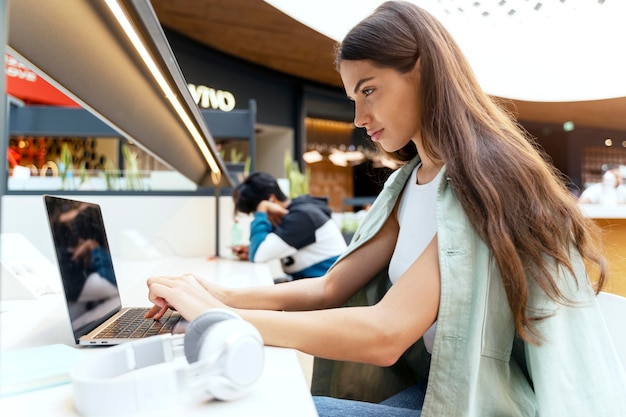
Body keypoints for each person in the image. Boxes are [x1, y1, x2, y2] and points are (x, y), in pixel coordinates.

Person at [146, 2, 626, 416]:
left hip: (484, 403)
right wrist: (217, 295)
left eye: (369, 89)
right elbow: (332, 286)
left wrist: (217, 317)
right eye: (353, 96)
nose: (358, 118)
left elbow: (386, 333)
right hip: (436, 390)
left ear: (421, 70)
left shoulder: (486, 183)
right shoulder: (410, 183)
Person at [230, 172, 347, 280]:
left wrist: (262, 210)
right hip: (319, 285)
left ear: (272, 199)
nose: (259, 217)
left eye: (255, 212)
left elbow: (257, 255)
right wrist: (250, 249)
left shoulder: (301, 217)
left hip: (332, 295)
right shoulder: (296, 212)